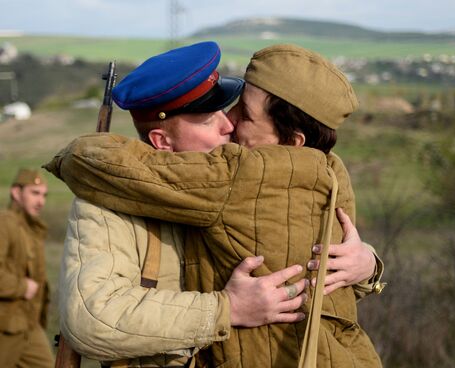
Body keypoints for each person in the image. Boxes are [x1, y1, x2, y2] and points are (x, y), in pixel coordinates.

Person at [46, 42, 382, 367]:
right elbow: (91, 318)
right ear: (161, 141)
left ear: (293, 143)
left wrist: (366, 264)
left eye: (237, 112)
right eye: (209, 119)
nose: (229, 124)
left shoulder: (253, 174)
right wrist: (226, 309)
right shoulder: (110, 197)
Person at [0, 168, 54, 368]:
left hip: (28, 325)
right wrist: (22, 287)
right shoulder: (5, 222)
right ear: (16, 193)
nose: (41, 201)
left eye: (44, 195)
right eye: (34, 193)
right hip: (6, 326)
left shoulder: (32, 229)